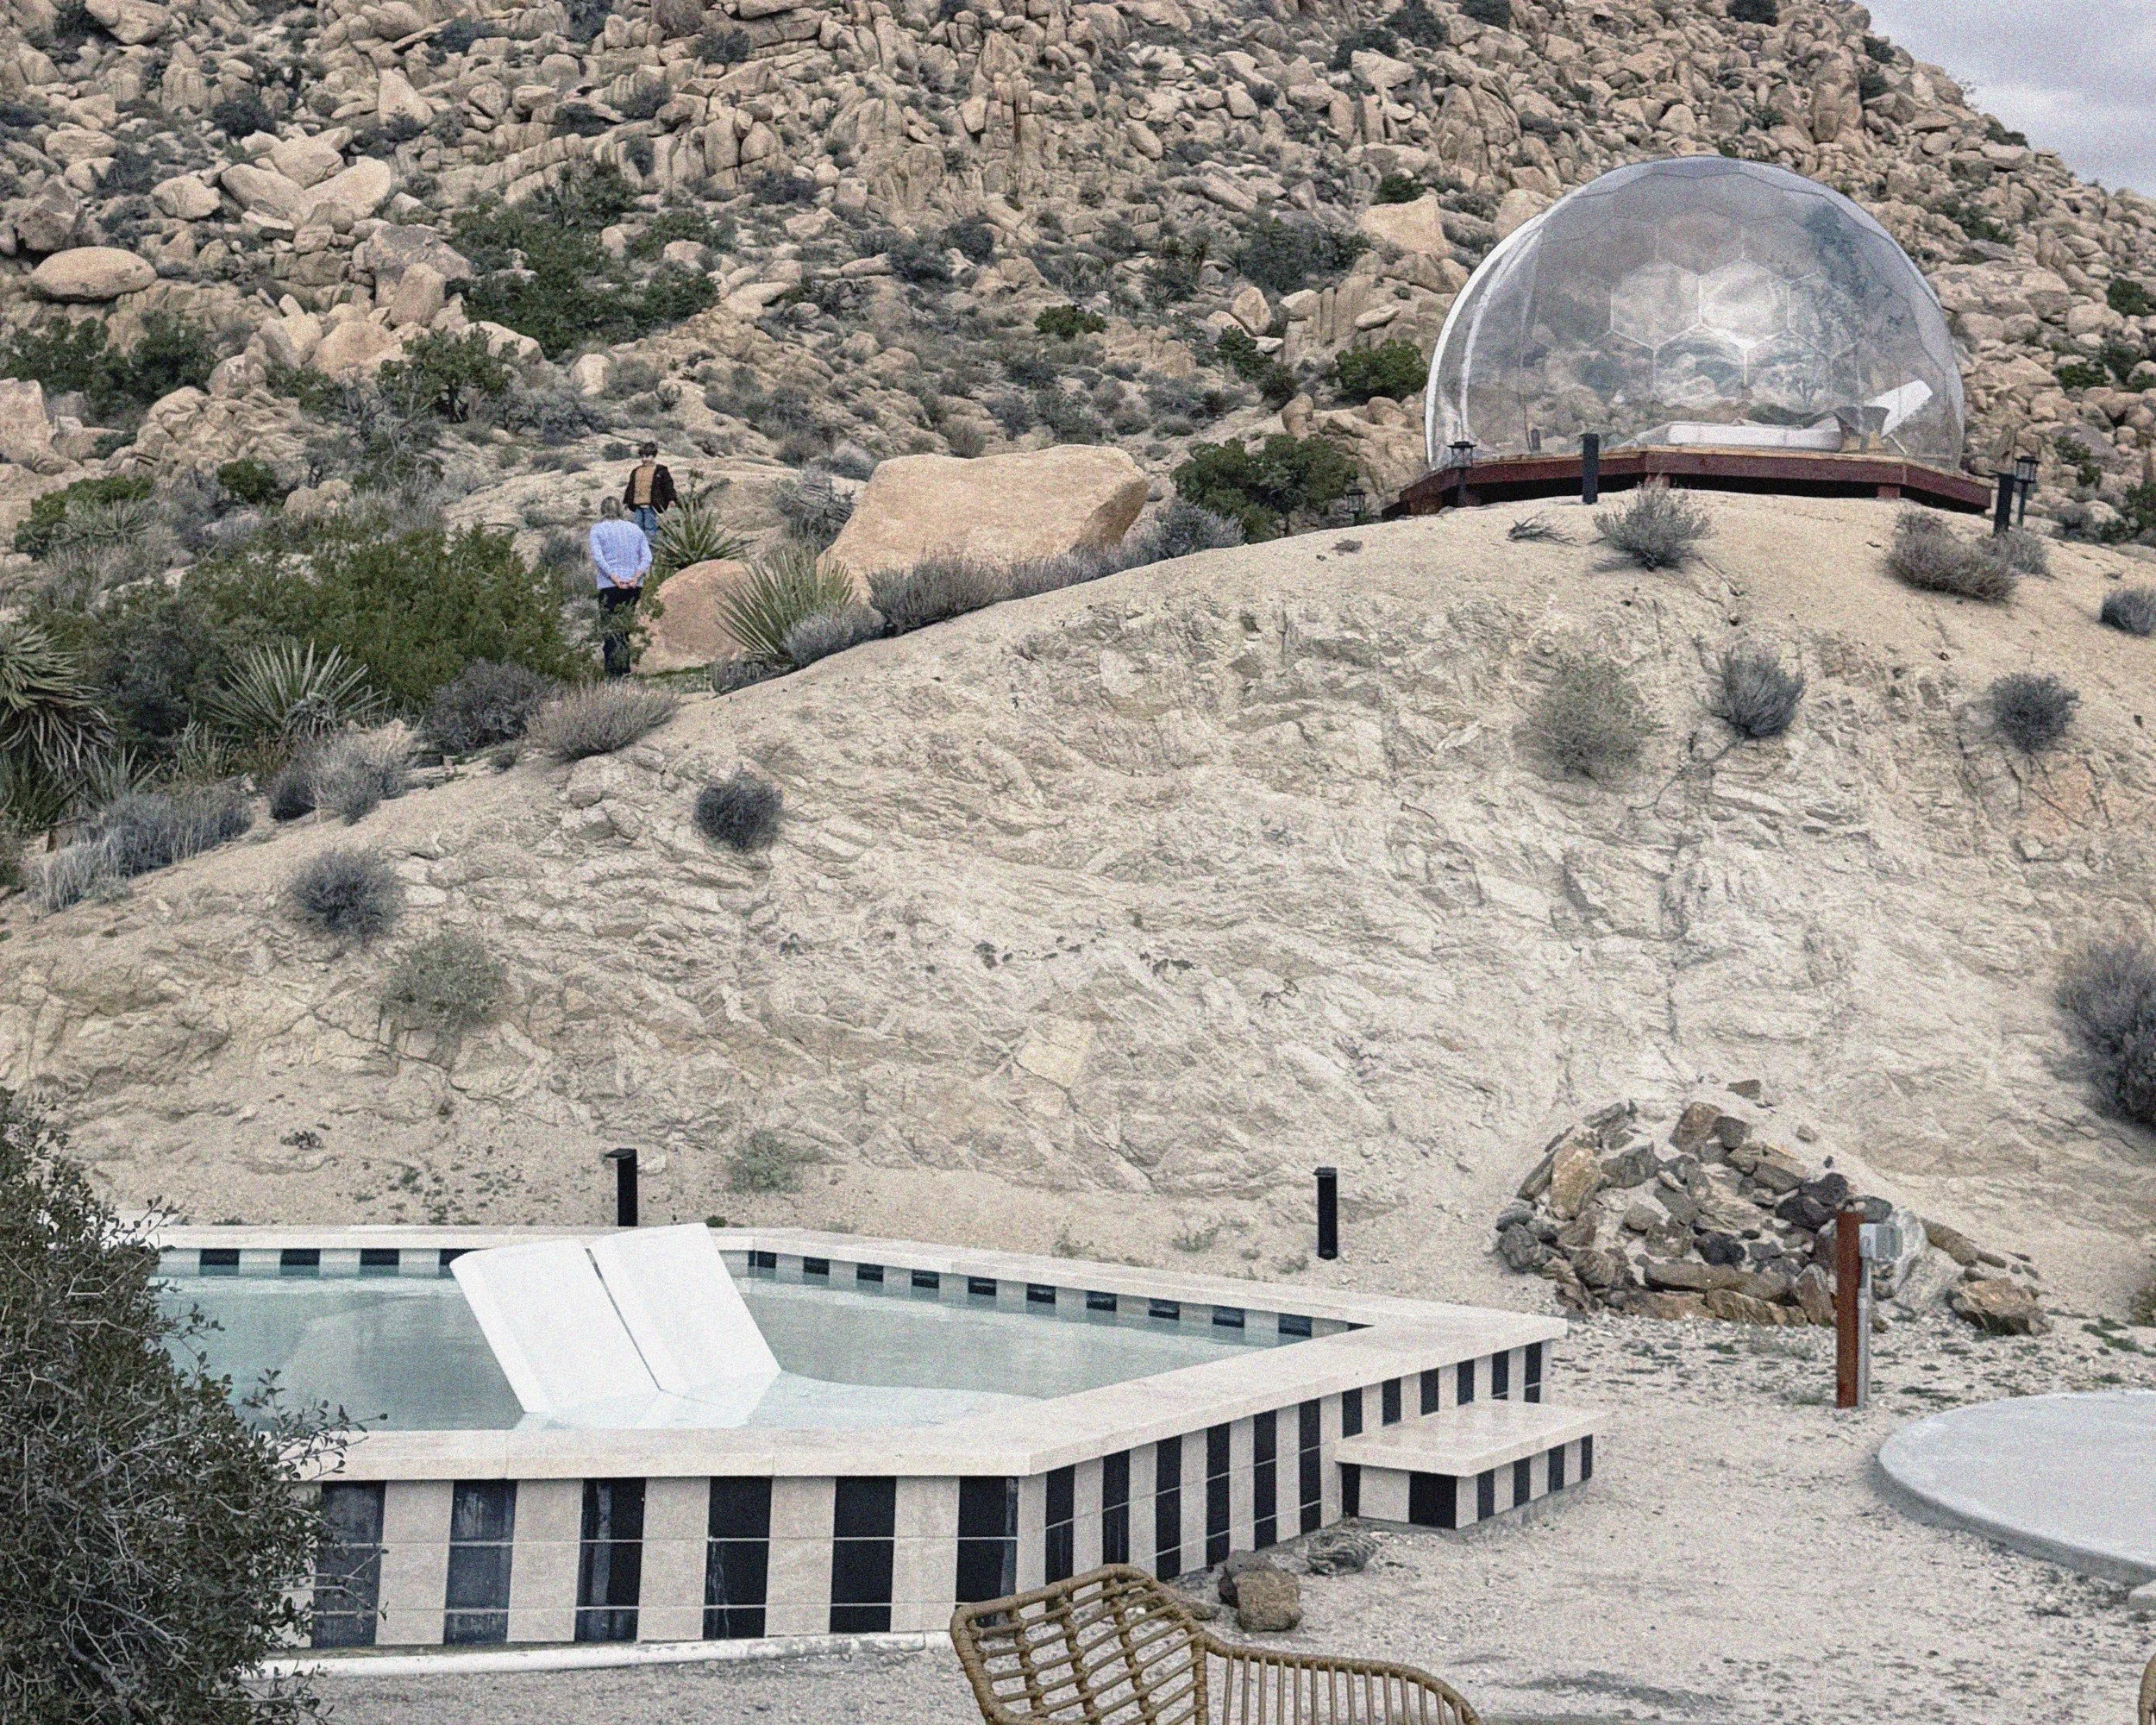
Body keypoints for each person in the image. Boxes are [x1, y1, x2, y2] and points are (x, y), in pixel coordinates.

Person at [588, 496, 651, 678]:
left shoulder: (598, 530)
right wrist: (635, 577)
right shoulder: (635, 529)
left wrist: (614, 577)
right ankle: (626, 669)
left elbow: (599, 558)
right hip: (633, 585)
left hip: (609, 585)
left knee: (610, 630)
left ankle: (613, 673)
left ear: (602, 510)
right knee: (626, 628)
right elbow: (647, 557)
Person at [623, 442, 676, 541]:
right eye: (642, 456)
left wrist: (671, 499)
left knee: (650, 526)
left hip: (651, 505)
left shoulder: (660, 471)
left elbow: (668, 485)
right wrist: (627, 501)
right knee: (638, 527)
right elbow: (631, 487)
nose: (644, 459)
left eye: (647, 456)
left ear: (653, 456)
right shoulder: (636, 471)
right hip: (638, 504)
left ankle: (650, 547)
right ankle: (639, 547)